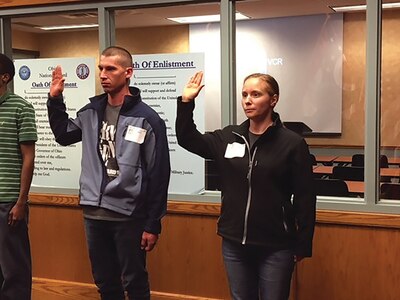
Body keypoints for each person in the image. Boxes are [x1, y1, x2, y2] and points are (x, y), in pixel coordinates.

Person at [175, 71, 316, 300]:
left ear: (273, 100)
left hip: (276, 245)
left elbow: (305, 197)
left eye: (256, 94)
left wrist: (303, 244)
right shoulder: (228, 137)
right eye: (244, 94)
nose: (248, 100)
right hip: (234, 243)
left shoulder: (292, 143)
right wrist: (186, 102)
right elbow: (187, 138)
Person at [47, 46, 170, 300]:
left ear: (128, 73)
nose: (103, 74)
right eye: (101, 68)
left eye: (110, 69)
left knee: (134, 281)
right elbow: (63, 135)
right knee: (105, 282)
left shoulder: (147, 118)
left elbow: (159, 174)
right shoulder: (90, 111)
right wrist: (55, 100)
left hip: (128, 215)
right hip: (94, 213)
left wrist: (153, 223)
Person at [0, 53, 37, 300]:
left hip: (8, 202)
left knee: (13, 269)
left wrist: (21, 202)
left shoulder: (21, 107)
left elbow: (28, 158)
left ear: (5, 77)